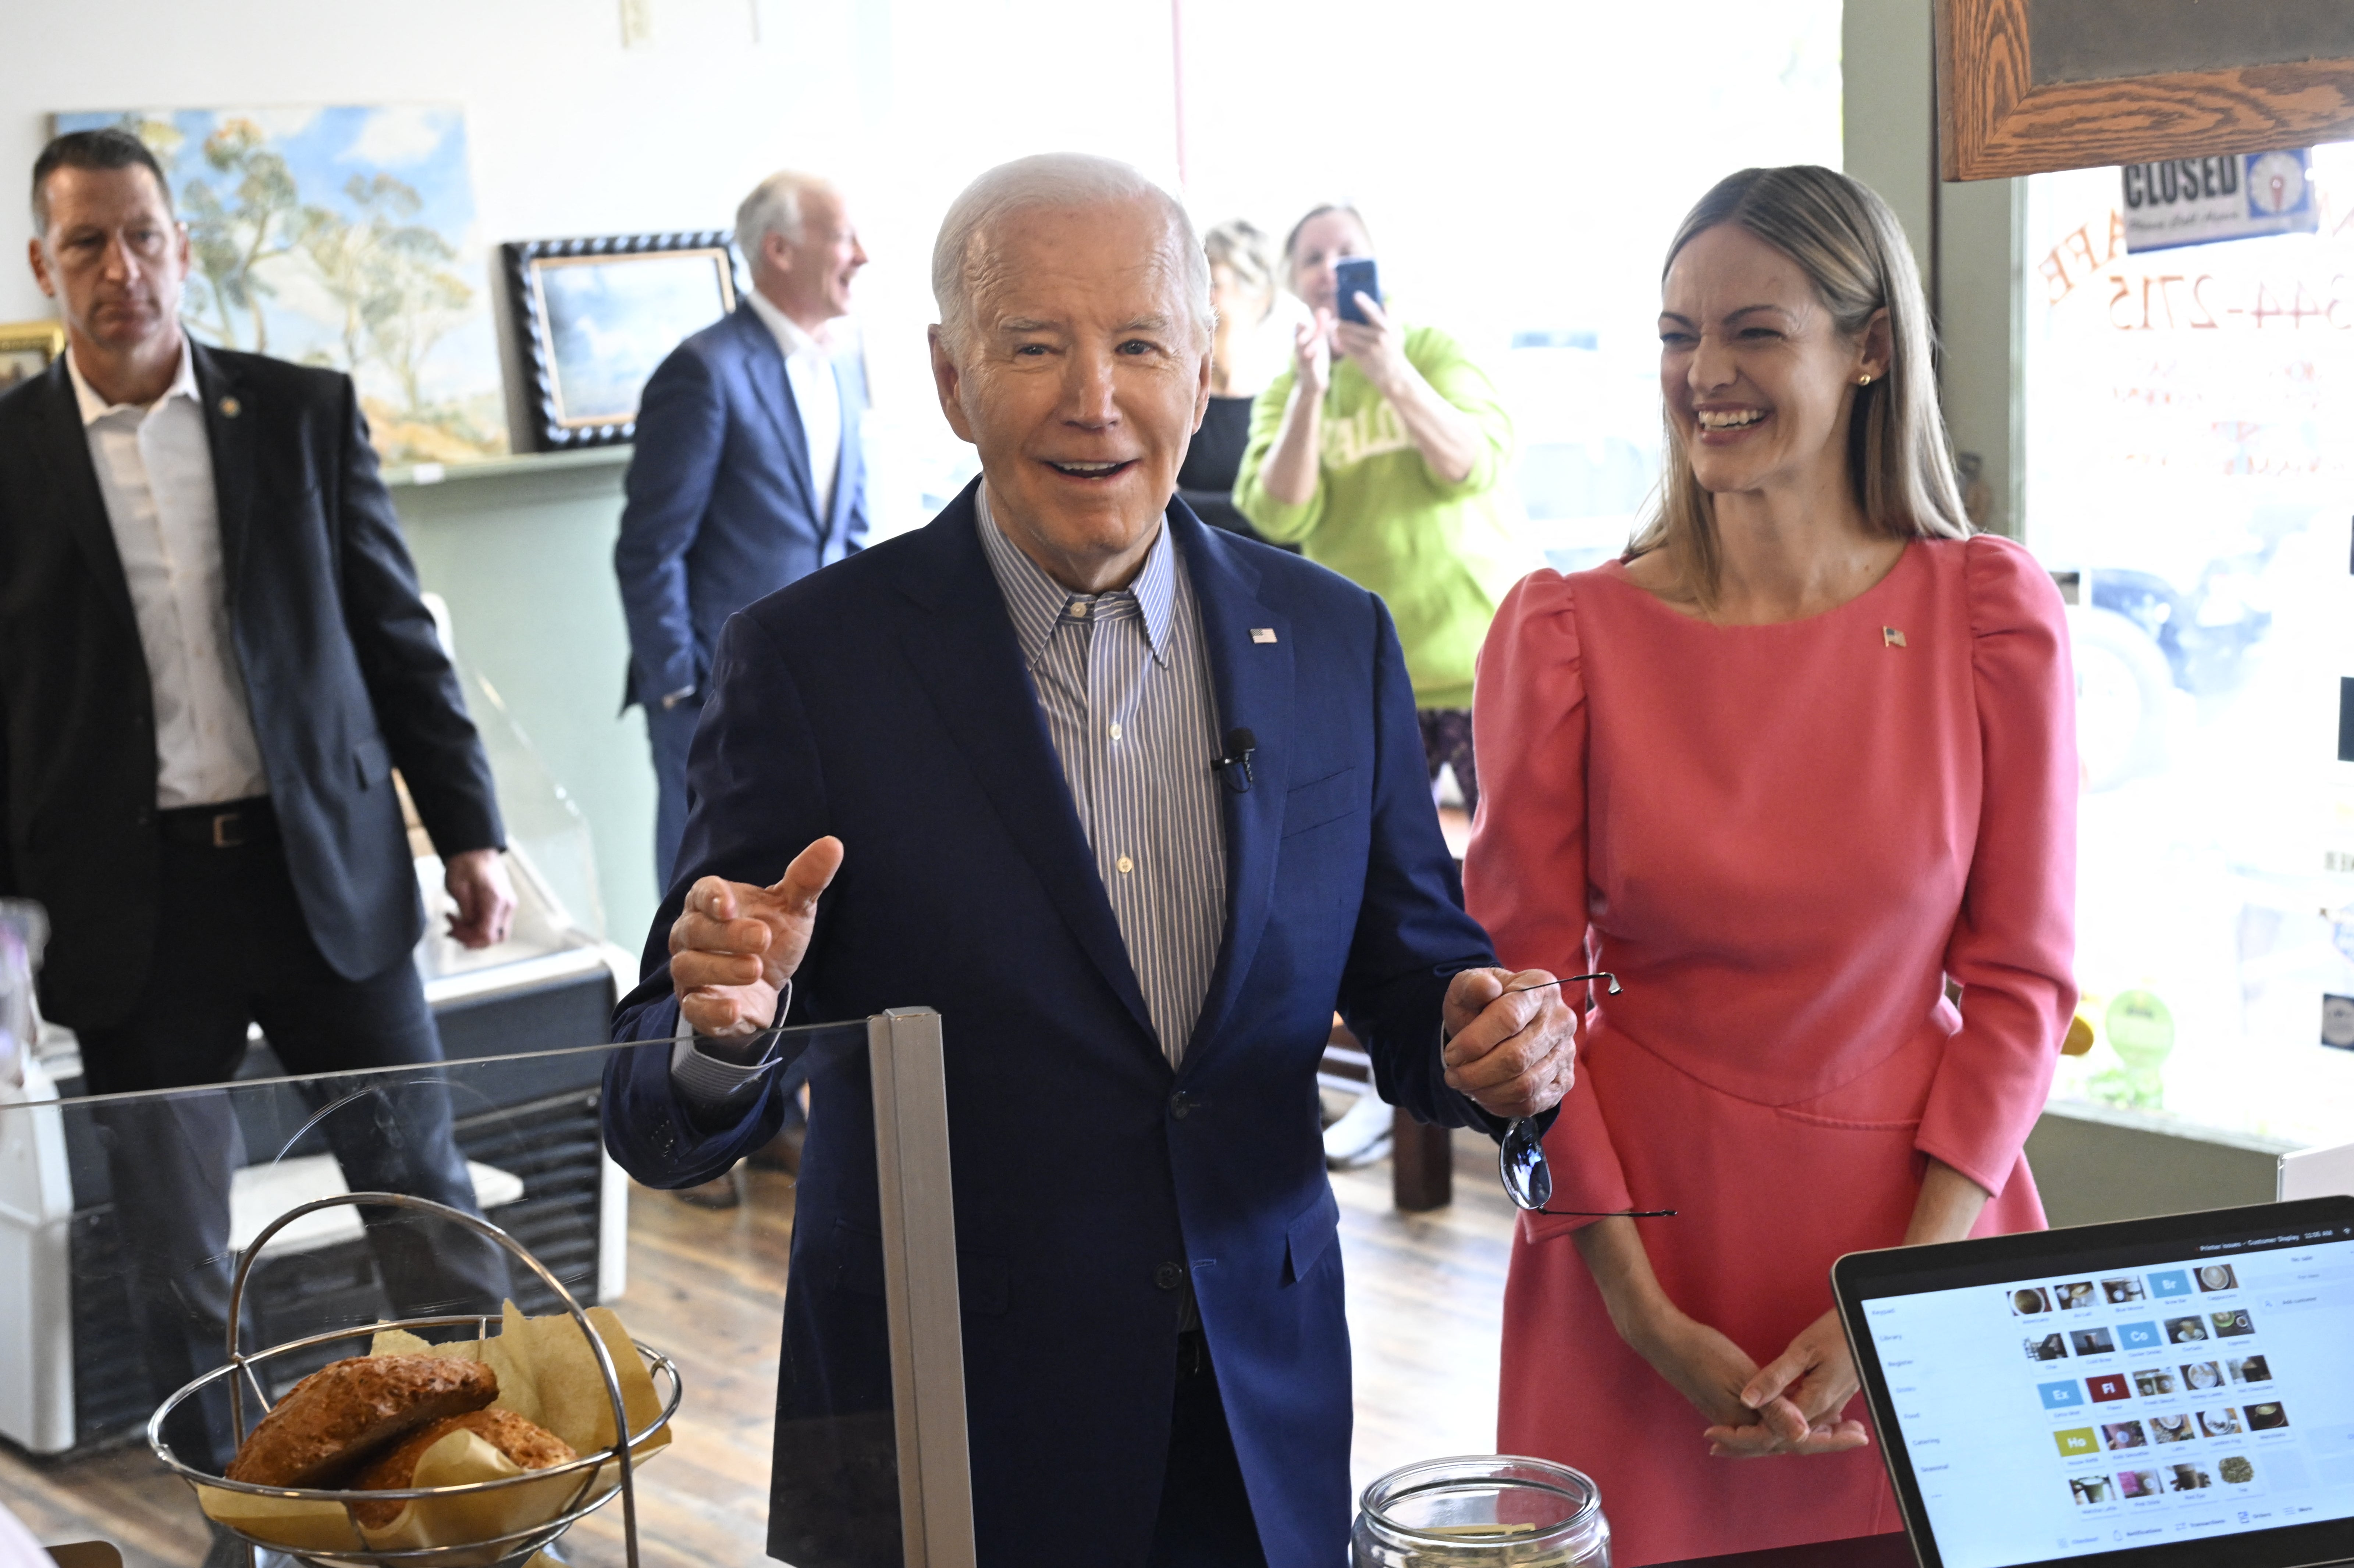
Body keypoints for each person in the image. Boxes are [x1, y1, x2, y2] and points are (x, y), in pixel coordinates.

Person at [601, 153, 1579, 1568]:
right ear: (949, 379)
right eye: (1032, 346)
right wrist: (723, 1031)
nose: (1092, 397)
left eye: (1136, 343)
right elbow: (656, 1093)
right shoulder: (813, 662)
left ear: (1200, 365)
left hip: (1255, 1400)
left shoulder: (1328, 639)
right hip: (945, 1423)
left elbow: (1412, 979)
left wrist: (1493, 1046)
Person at [1465, 165, 2077, 1564]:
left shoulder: (1985, 612)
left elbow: (2019, 984)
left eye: (1753, 330)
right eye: (1677, 335)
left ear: (1867, 349)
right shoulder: (1562, 635)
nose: (1704, 374)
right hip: (1630, 1242)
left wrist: (1897, 1295)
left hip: (1925, 1227)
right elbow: (1528, 1000)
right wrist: (1634, 1309)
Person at [0, 130, 516, 1476]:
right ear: (42, 264)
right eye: (87, 244)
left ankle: (494, 1481)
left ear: (182, 243)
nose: (123, 269)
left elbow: (398, 641)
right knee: (177, 1253)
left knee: (426, 1203)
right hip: (132, 909)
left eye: (143, 235)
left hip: (324, 880)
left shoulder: (300, 413)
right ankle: (249, 1521)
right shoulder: (8, 455)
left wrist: (470, 831)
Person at [614, 168, 870, 890]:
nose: (863, 255)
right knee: (704, 894)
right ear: (781, 250)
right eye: (846, 237)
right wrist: (678, 688)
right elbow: (649, 546)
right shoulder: (702, 371)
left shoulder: (843, 366)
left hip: (824, 685)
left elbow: (846, 535)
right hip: (714, 694)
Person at [1234, 202, 1529, 817]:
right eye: (1312, 257)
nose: (1330, 267)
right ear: (1293, 281)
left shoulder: (1432, 348)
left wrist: (1391, 371)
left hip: (1487, 660)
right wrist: (1313, 391)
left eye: (1347, 251)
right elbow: (1278, 514)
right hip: (1372, 676)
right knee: (1385, 872)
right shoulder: (1289, 391)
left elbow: (1473, 464)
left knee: (1520, 864)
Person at [1174, 219, 1282, 542]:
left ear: (1258, 299)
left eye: (1214, 284)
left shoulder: (1286, 404)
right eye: (1192, 284)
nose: (1199, 299)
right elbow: (1160, 505)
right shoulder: (1174, 401)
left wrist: (1188, 501)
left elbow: (1293, 513)